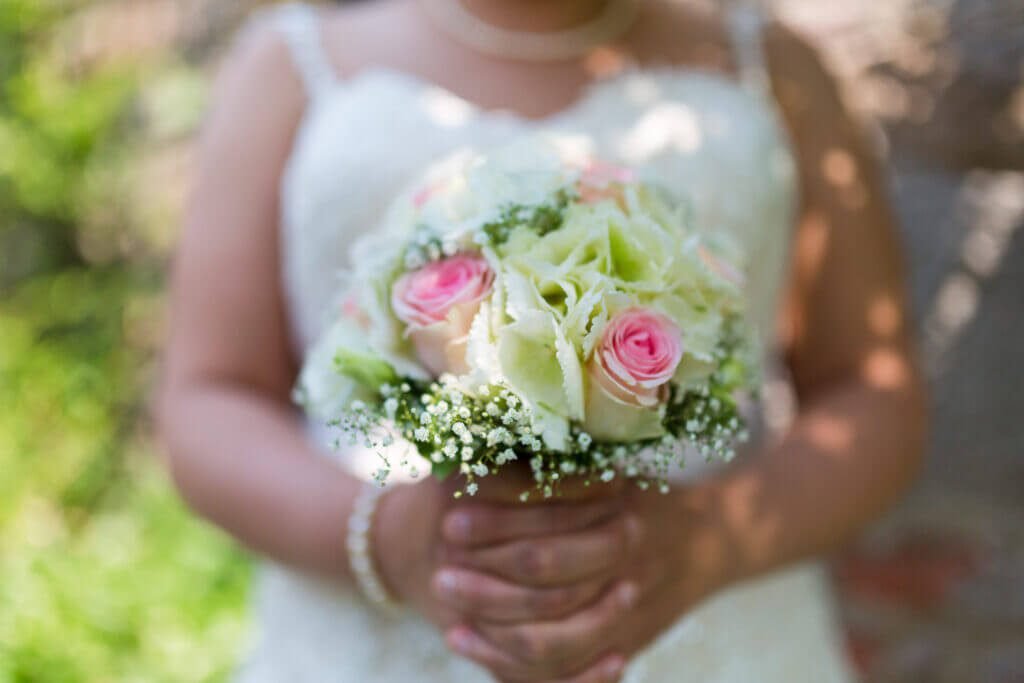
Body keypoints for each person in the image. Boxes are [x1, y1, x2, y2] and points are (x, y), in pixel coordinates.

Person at [157, 0, 927, 680]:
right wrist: (387, 539)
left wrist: (712, 541)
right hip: (364, 634)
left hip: (725, 633)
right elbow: (209, 393)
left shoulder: (771, 66)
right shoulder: (294, 62)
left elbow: (872, 385)